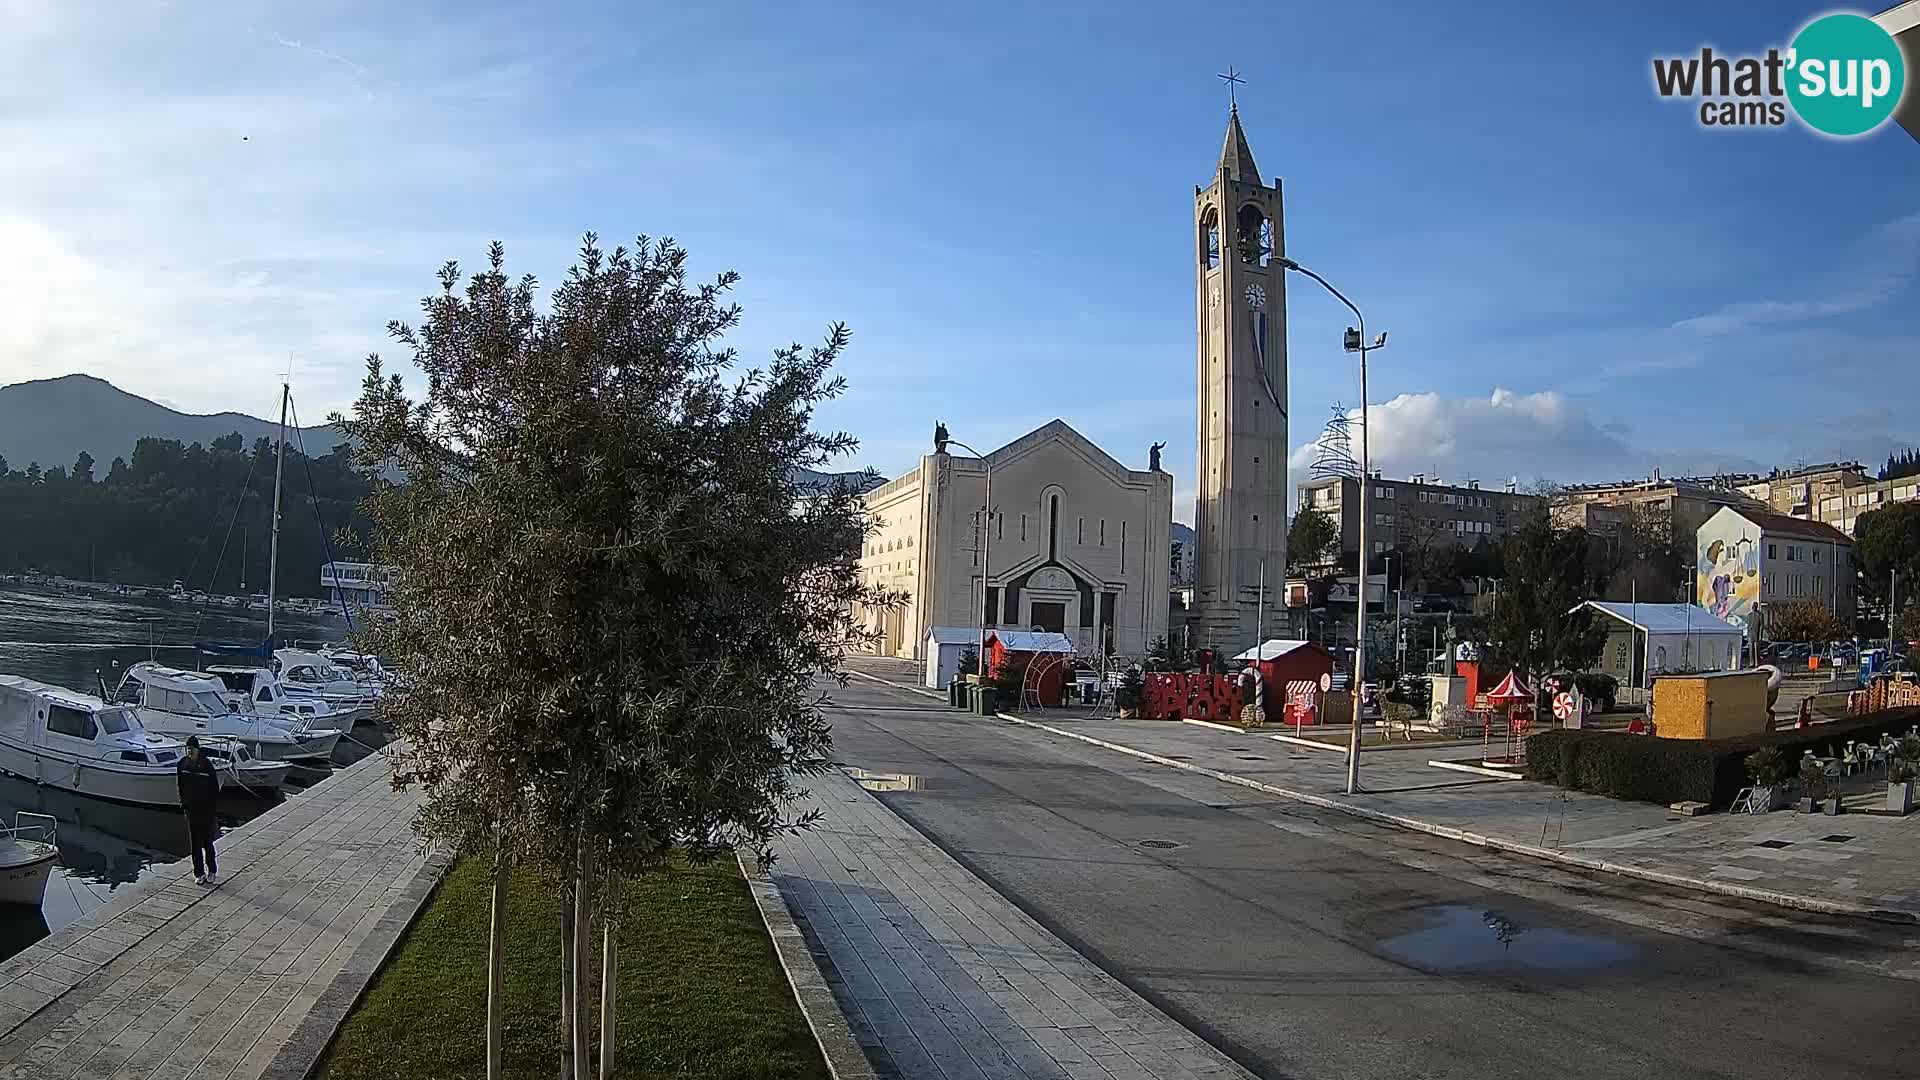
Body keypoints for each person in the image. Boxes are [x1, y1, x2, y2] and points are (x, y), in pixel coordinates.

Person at [176, 735, 220, 885]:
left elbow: (215, 789)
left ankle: (212, 870)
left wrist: (211, 809)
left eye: (192, 749)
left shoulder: (206, 765)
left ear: (197, 750)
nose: (189, 751)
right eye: (187, 749)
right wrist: (183, 803)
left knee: (207, 842)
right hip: (191, 811)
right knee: (194, 844)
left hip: (205, 811)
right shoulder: (182, 765)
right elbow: (180, 786)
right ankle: (199, 873)